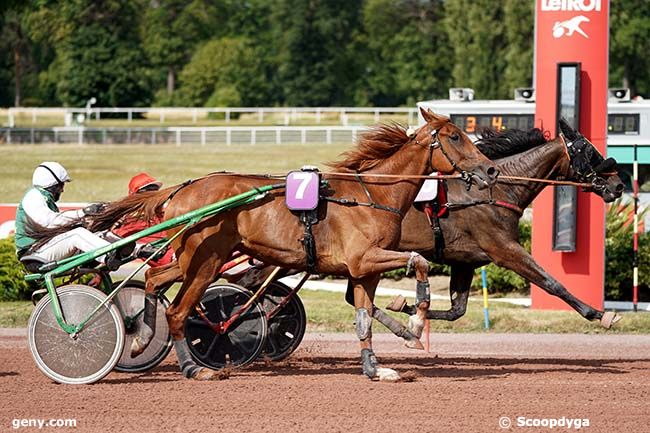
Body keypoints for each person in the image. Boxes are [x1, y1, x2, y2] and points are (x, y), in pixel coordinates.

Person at [14, 162, 114, 265]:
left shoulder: (44, 200)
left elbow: (57, 225)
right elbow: (50, 222)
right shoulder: (33, 196)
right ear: (52, 185)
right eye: (61, 185)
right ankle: (110, 255)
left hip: (42, 249)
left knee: (98, 235)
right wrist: (83, 213)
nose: (62, 190)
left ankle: (120, 250)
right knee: (77, 234)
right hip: (33, 255)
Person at [110, 172, 174, 267]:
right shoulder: (130, 222)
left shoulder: (166, 213)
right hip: (168, 258)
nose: (153, 195)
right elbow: (112, 244)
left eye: (155, 190)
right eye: (147, 191)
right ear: (135, 196)